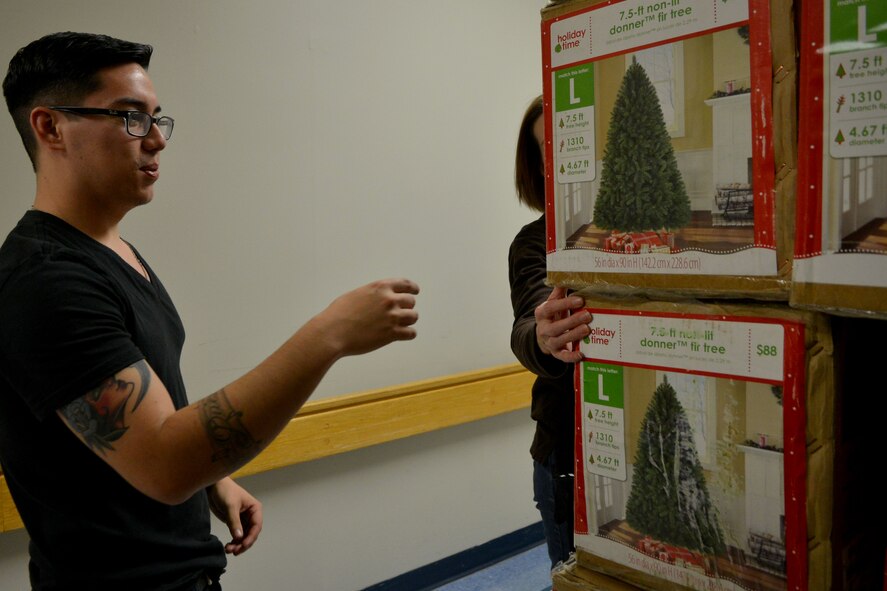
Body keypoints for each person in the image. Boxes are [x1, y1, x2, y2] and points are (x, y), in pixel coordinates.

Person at [0, 32, 419, 591]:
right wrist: (330, 335)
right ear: (50, 127)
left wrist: (212, 481)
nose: (155, 140)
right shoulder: (46, 281)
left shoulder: (111, 251)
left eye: (156, 118)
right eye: (129, 117)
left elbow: (146, 405)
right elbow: (165, 464)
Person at [508, 95, 591, 571]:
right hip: (566, 458)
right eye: (550, 149)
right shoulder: (534, 243)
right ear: (539, 168)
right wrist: (543, 337)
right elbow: (528, 320)